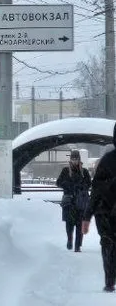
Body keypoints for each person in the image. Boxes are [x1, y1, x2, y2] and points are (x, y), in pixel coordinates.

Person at [85, 123, 116, 293]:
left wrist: (87, 215)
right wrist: (87, 215)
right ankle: (110, 279)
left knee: (108, 245)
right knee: (108, 244)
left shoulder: (106, 160)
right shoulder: (107, 160)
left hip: (104, 211)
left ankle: (110, 279)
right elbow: (97, 190)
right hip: (105, 211)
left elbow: (96, 190)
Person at [57, 149, 91, 251]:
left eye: (76, 159)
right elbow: (58, 182)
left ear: (79, 159)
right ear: (70, 159)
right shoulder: (65, 171)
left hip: (81, 202)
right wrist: (68, 185)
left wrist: (81, 187)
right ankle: (69, 240)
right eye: (73, 158)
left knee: (80, 224)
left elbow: (89, 184)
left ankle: (77, 246)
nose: (74, 160)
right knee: (69, 223)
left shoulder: (84, 171)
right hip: (69, 201)